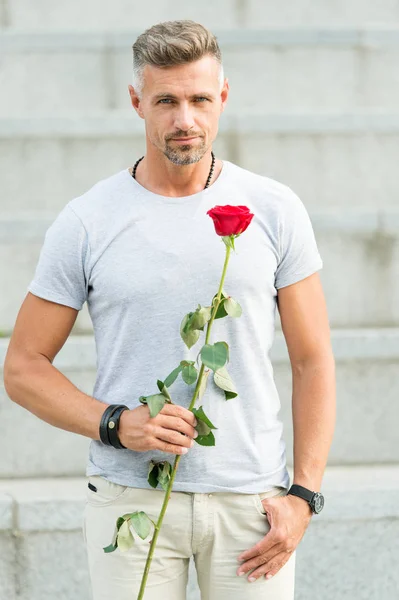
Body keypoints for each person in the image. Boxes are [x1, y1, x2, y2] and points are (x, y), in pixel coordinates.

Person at [3, 19, 336, 600]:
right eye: (166, 101)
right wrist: (114, 423)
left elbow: (314, 361)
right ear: (137, 102)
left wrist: (303, 497)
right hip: (129, 502)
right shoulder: (88, 220)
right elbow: (23, 366)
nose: (185, 119)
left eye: (200, 99)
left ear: (223, 97)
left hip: (252, 506)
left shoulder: (275, 209)